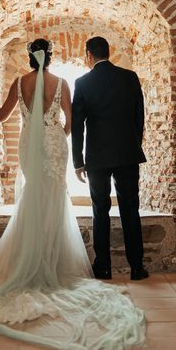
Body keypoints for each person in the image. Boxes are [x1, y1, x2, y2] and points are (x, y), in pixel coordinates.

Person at [0, 38, 146, 350]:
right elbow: (77, 124)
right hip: (96, 150)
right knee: (123, 207)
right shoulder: (92, 81)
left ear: (30, 58)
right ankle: (136, 267)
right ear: (51, 58)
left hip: (36, 146)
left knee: (80, 207)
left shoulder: (35, 82)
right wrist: (55, 135)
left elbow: (4, 116)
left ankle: (100, 267)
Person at [72, 37, 149, 281]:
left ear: (88, 55)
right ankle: (137, 267)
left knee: (100, 211)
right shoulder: (129, 77)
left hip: (97, 158)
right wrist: (133, 143)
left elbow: (77, 126)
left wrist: (78, 161)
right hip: (127, 153)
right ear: (109, 52)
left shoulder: (83, 83)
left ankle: (103, 266)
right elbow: (139, 116)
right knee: (130, 209)